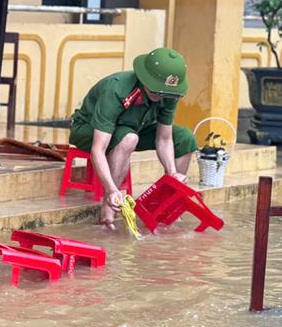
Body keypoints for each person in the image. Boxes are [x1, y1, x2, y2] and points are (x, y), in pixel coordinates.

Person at [68, 47, 197, 230]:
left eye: (165, 94)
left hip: (136, 128)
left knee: (185, 138)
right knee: (129, 138)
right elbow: (98, 149)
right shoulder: (117, 89)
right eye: (157, 92)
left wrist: (172, 172)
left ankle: (168, 204)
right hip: (89, 130)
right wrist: (112, 189)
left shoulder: (168, 94)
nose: (161, 97)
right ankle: (107, 211)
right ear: (145, 79)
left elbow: (164, 138)